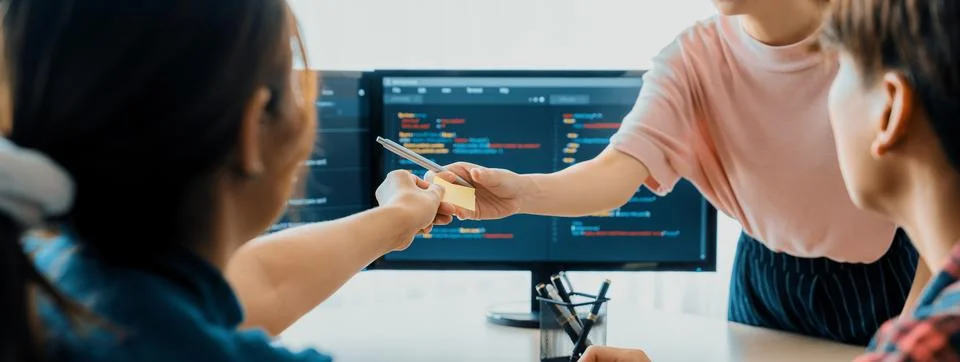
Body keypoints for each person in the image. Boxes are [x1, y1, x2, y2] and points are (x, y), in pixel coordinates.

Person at [0, 1, 651, 361]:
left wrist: (397, 218)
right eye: (297, 85)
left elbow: (258, 282)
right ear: (255, 129)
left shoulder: (53, 277)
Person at [430, 0, 925, 346]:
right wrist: (517, 193)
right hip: (763, 273)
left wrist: (917, 323)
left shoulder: (887, 34)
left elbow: (943, 211)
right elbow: (616, 170)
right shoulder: (693, 57)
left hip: (888, 276)